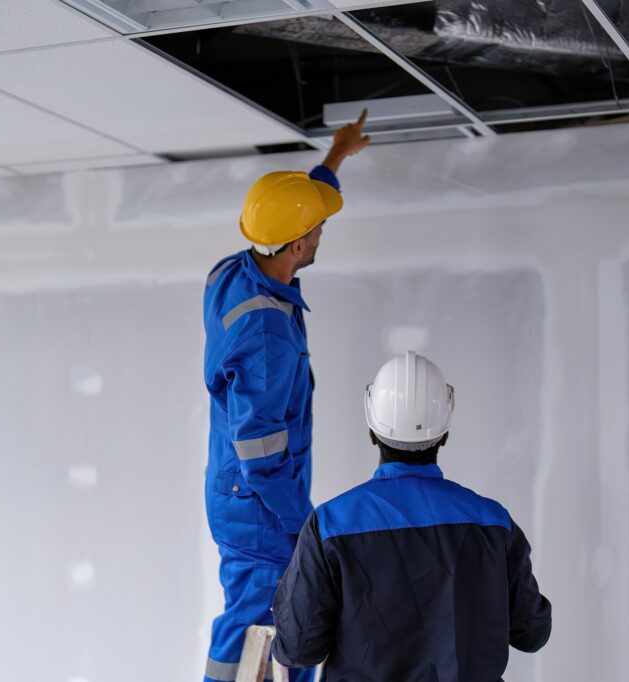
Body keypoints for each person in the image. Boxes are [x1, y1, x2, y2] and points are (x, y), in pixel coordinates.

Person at [201, 111, 369, 682]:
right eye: (317, 230)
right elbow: (260, 454)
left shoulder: (236, 270)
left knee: (282, 618)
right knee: (261, 625)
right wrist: (307, 528)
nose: (322, 233)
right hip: (259, 505)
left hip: (244, 494)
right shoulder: (266, 336)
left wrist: (337, 155)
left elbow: (302, 202)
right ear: (297, 245)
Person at [272, 351, 552, 681]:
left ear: (372, 432)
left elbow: (298, 648)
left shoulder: (329, 526)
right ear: (444, 433)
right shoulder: (495, 523)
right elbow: (533, 633)